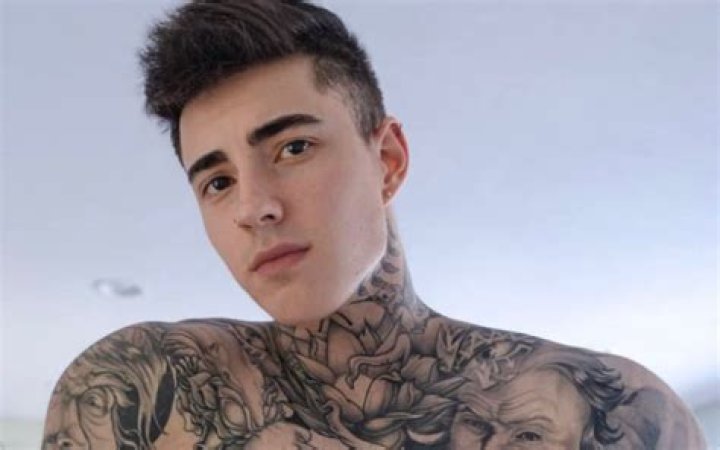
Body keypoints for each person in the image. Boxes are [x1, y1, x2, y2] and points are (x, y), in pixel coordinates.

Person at [42, 1, 706, 449]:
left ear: (386, 159)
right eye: (217, 182)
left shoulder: (606, 411)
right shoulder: (145, 391)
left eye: (293, 148)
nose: (253, 207)